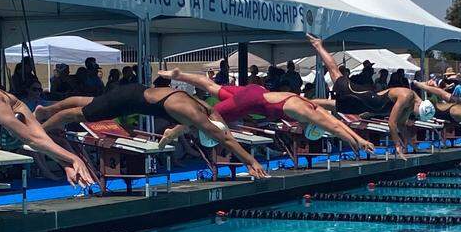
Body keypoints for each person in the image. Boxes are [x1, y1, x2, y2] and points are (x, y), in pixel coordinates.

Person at [35, 76, 268, 179]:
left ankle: (45, 110)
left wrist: (169, 136)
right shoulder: (193, 115)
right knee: (80, 114)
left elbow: (220, 127)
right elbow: (224, 138)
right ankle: (42, 128)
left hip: (134, 94)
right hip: (129, 100)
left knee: (88, 102)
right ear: (204, 128)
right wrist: (250, 160)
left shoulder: (204, 109)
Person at [159, 69, 375, 155]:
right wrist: (357, 142)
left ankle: (179, 74)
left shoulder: (308, 103)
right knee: (203, 118)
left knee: (210, 86)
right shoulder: (309, 114)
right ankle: (172, 132)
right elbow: (335, 126)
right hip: (250, 101)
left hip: (256, 90)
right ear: (312, 125)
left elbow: (330, 111)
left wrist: (356, 136)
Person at [305, 34, 430, 159]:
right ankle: (318, 45)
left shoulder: (409, 106)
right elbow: (392, 123)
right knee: (335, 72)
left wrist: (411, 143)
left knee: (334, 106)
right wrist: (397, 145)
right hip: (362, 96)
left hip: (364, 107)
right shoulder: (406, 96)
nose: (416, 116)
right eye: (418, 113)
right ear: (419, 104)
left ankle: (303, 102)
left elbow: (401, 125)